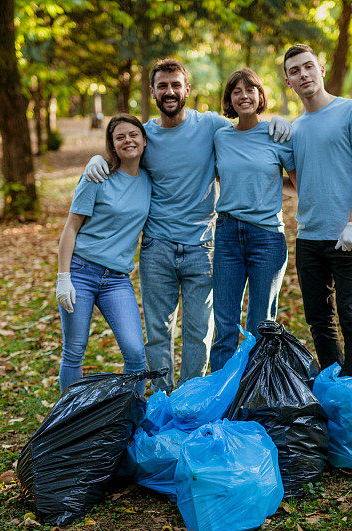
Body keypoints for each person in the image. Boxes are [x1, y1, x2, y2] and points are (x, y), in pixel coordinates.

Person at [83, 58, 292, 393]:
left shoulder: (209, 125)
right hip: (157, 247)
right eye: (162, 86)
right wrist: (98, 158)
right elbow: (120, 153)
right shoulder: (146, 135)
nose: (169, 92)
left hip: (204, 246)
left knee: (199, 332)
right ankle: (161, 400)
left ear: (187, 89)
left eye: (175, 85)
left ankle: (191, 399)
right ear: (152, 91)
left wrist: (276, 122)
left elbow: (246, 129)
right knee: (158, 332)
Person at [283, 43, 352, 377]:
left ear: (321, 69)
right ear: (288, 83)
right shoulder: (293, 130)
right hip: (309, 238)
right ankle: (334, 389)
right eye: (295, 71)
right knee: (319, 322)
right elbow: (299, 181)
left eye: (308, 66)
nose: (303, 74)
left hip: (349, 236)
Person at [54, 114, 150, 393]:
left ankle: (130, 417)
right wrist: (64, 277)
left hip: (117, 279)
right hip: (81, 272)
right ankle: (68, 421)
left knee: (135, 353)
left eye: (133, 134)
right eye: (120, 137)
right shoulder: (97, 177)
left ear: (144, 140)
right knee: (74, 351)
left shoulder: (150, 180)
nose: (128, 141)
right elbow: (71, 227)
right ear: (112, 145)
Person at [209, 68, 295, 372]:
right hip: (228, 234)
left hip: (267, 237)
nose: (243, 96)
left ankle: (257, 398)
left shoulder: (277, 134)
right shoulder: (221, 137)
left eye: (250, 89)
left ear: (260, 96)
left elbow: (299, 182)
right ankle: (220, 398)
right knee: (224, 326)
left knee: (261, 326)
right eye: (236, 91)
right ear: (229, 99)